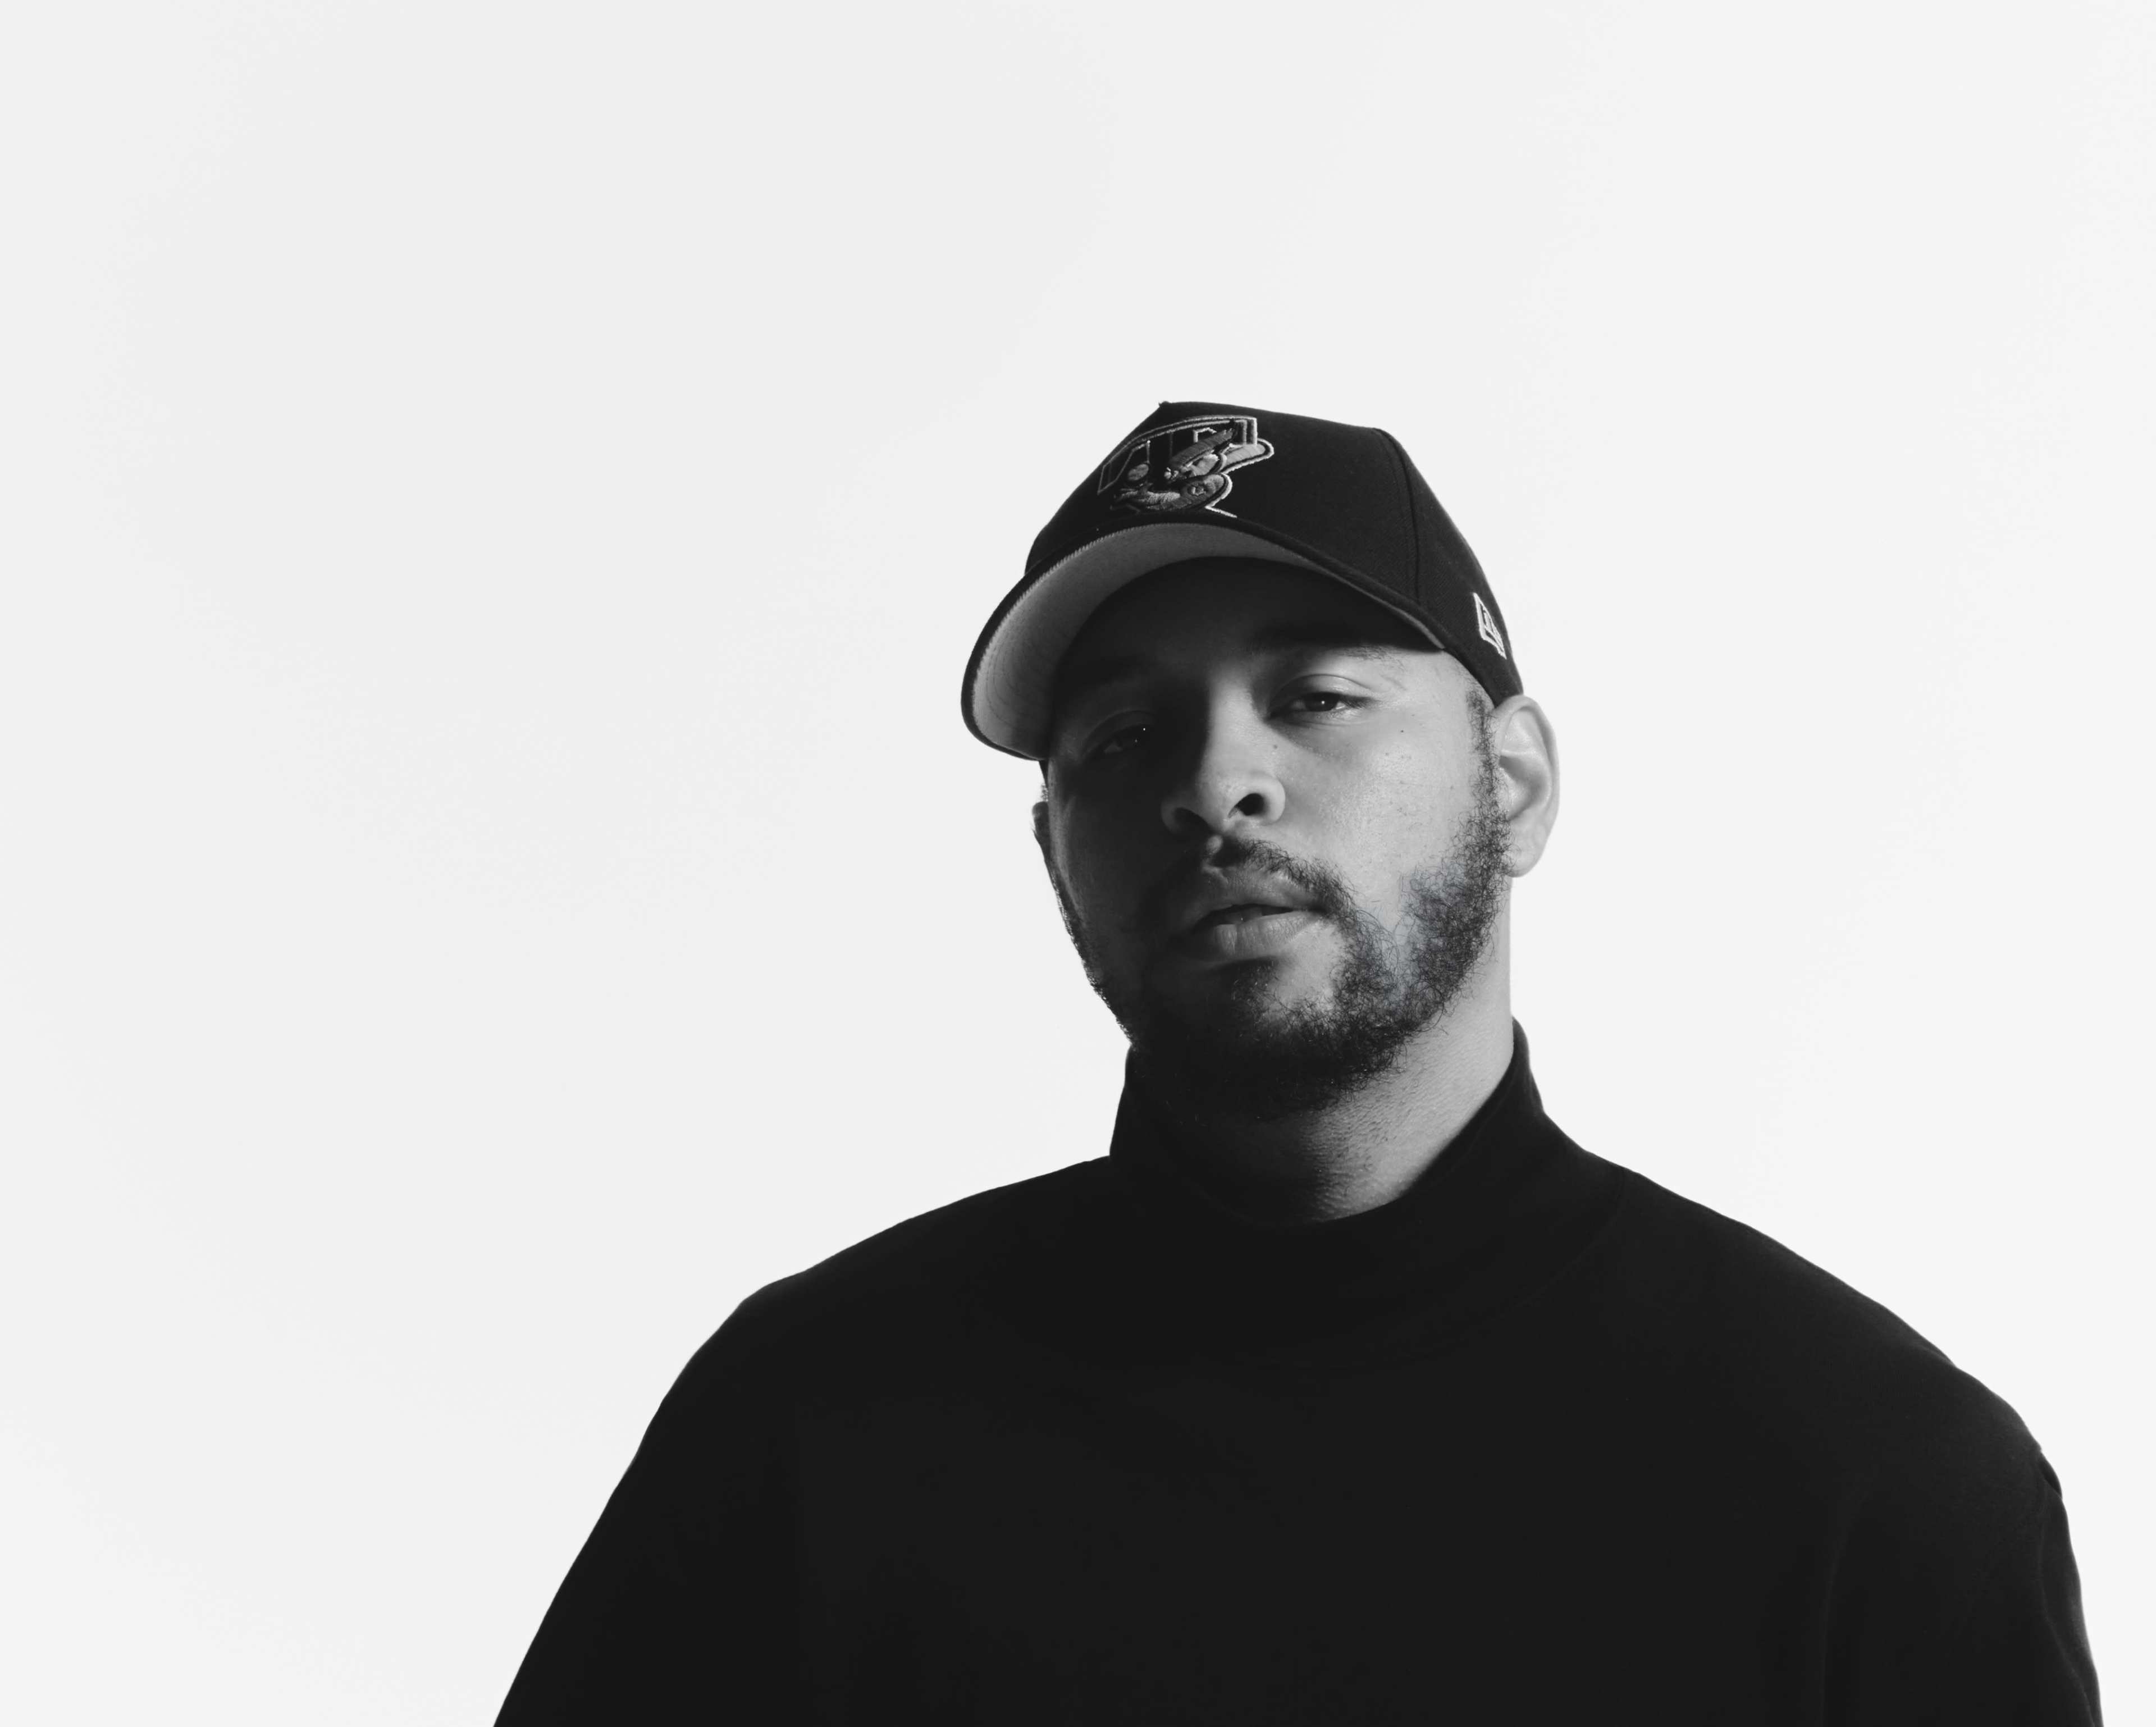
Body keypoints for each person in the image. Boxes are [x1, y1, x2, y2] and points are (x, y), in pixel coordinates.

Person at [496, 401, 2102, 1723]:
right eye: (1126, 737)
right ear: (1058, 854)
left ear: (1517, 783)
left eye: (1315, 696)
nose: (1220, 783)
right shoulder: (806, 1430)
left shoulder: (1870, 1485)